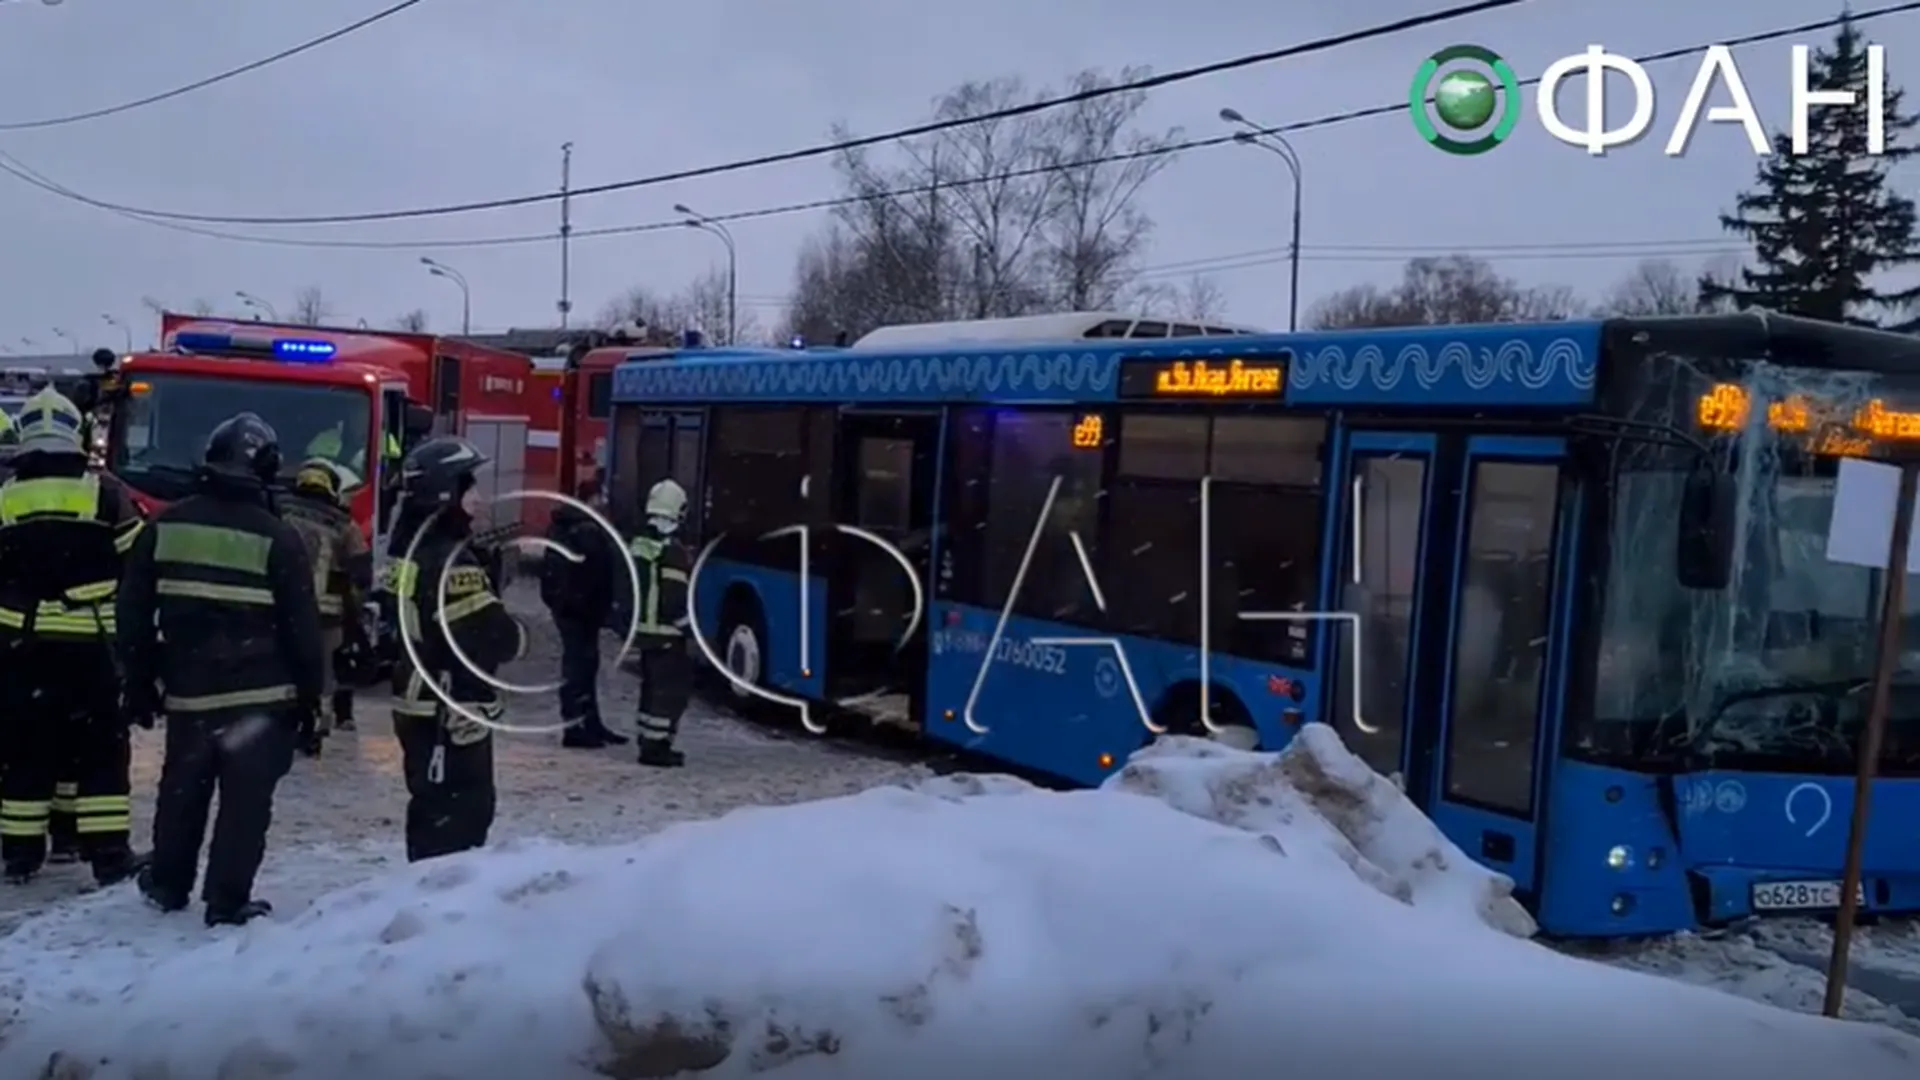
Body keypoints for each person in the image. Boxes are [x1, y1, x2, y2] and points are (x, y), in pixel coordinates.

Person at [119, 412, 326, 926]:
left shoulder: (164, 526)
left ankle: (168, 884)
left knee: (182, 791)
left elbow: (133, 613)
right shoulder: (279, 538)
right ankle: (227, 900)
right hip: (261, 701)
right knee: (245, 803)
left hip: (190, 694)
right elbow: (303, 630)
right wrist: (310, 699)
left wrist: (139, 683)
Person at [0, 387, 145, 887]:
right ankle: (105, 853)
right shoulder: (105, 493)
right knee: (99, 750)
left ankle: (20, 854)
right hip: (91, 650)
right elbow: (139, 564)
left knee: (25, 749)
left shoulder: (2, 498)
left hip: (20, 650)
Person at [386, 436, 525, 862]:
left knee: (429, 809)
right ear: (447, 495)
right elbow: (499, 638)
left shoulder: (407, 550)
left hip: (418, 703)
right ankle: (437, 915)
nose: (479, 502)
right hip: (451, 711)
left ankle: (423, 900)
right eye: (471, 490)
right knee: (460, 816)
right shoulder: (453, 565)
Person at [279, 458, 373, 755]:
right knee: (321, 672)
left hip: (281, 611)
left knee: (283, 665)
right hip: (326, 616)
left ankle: (280, 720)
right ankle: (315, 728)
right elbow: (362, 576)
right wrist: (354, 615)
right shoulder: (345, 527)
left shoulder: (278, 514)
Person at [541, 477, 626, 749]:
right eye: (601, 497)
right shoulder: (585, 529)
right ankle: (576, 727)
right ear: (593, 499)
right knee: (578, 668)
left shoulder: (569, 525)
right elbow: (595, 572)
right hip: (579, 610)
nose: (605, 503)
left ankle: (589, 723)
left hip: (575, 608)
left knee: (586, 666)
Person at [628, 478, 693, 769]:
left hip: (645, 632)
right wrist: (691, 628)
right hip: (667, 634)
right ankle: (656, 747)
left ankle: (646, 737)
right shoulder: (673, 551)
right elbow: (674, 598)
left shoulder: (641, 543)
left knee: (651, 688)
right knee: (669, 692)